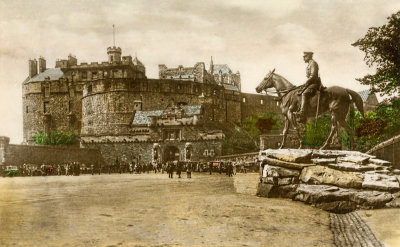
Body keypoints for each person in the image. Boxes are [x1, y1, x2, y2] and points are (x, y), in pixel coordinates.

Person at [295, 51, 322, 122]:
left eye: (305, 56)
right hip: (310, 83)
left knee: (304, 94)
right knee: (299, 92)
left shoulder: (313, 63)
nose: (303, 58)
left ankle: (302, 112)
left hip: (314, 84)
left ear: (309, 56)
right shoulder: (309, 64)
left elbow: (313, 76)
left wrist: (306, 83)